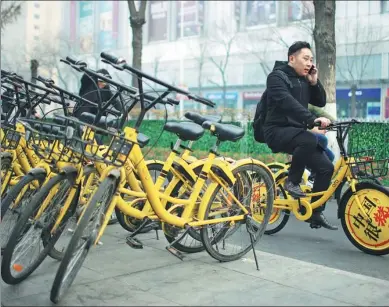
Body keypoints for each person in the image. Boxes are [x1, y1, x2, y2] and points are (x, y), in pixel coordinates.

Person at [263, 41, 337, 230]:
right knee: (310, 139)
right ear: (291, 58)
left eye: (311, 60)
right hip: (276, 131)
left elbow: (320, 100)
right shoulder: (276, 78)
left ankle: (315, 213)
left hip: (297, 134)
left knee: (326, 167)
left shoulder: (304, 80)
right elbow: (287, 103)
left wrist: (314, 82)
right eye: (305, 58)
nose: (309, 63)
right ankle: (292, 181)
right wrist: (312, 120)